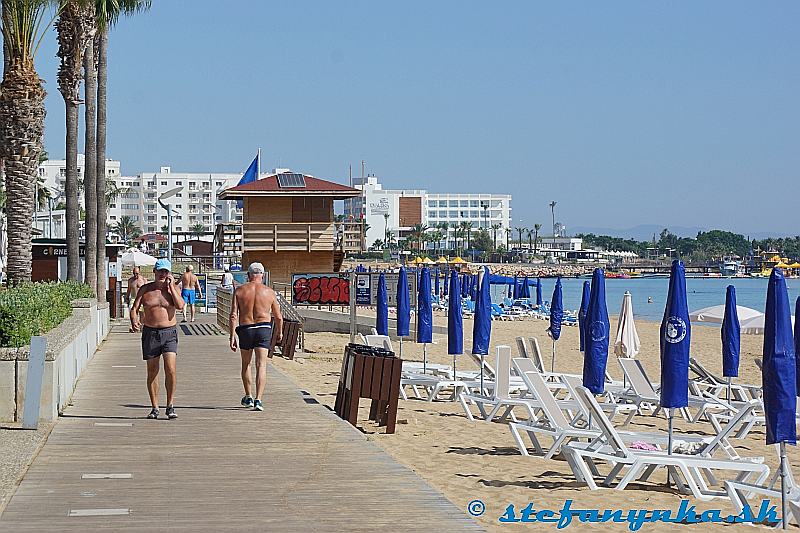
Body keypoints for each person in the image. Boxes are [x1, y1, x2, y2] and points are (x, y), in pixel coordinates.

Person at [130, 258, 185, 420]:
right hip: (151, 333)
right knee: (152, 371)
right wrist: (134, 320)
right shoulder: (146, 290)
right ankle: (154, 407)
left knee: (171, 369)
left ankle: (170, 405)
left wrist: (172, 287)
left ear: (169, 274)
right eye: (160, 271)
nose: (162, 274)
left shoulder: (173, 290)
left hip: (169, 332)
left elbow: (181, 306)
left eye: (166, 271)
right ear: (154, 272)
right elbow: (134, 308)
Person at [229, 262, 283, 412]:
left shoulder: (239, 291)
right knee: (261, 365)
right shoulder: (269, 292)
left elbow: (233, 315)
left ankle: (248, 396)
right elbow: (278, 317)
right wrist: (280, 332)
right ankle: (259, 399)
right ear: (263, 275)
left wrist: (232, 335)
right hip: (263, 328)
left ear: (248, 275)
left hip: (246, 329)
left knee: (246, 364)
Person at [126, 266, 148, 332]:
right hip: (133, 298)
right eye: (134, 273)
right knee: (133, 312)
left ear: (139, 272)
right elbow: (129, 290)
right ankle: (133, 325)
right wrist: (127, 297)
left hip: (142, 299)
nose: (135, 275)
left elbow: (147, 290)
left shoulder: (143, 280)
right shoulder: (130, 280)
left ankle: (141, 326)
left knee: (142, 314)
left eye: (137, 273)